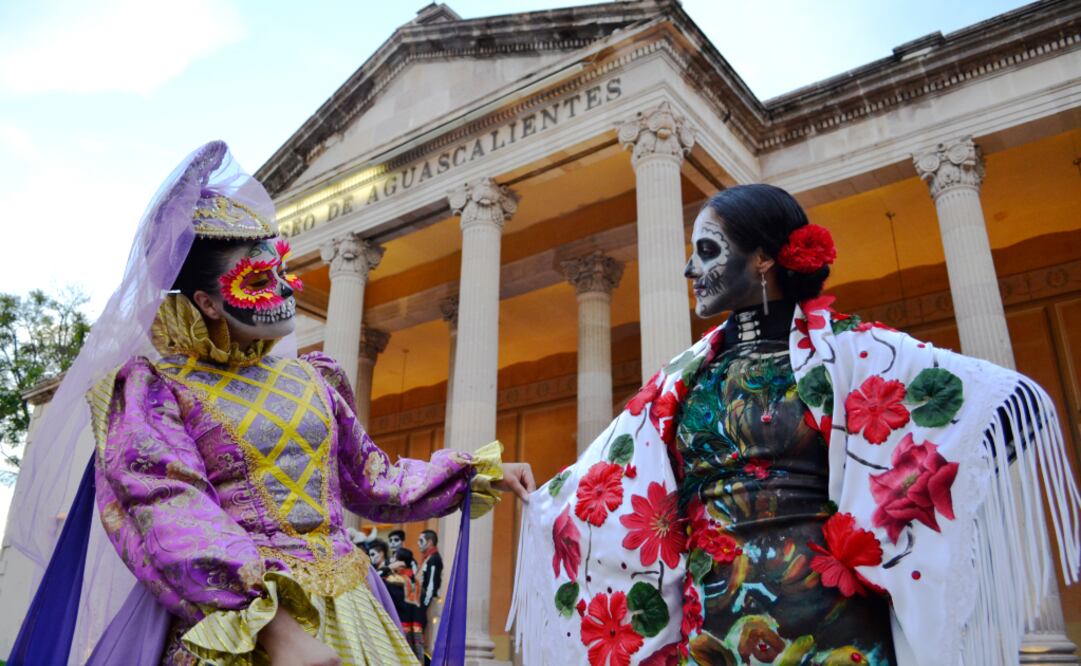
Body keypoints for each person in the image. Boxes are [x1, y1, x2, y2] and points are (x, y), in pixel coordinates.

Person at [8, 141, 536, 666]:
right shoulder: (157, 392)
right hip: (240, 626)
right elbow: (173, 512)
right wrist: (275, 628)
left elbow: (372, 480)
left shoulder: (314, 379)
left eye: (281, 272)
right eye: (258, 281)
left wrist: (476, 473)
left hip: (353, 613)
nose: (283, 291)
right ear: (206, 302)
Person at [509, 184, 1081, 666]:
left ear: (763, 258)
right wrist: (530, 496)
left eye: (707, 250)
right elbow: (610, 482)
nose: (689, 268)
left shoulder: (856, 354)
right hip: (712, 631)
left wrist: (902, 504)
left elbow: (1007, 406)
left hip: (834, 624)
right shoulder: (680, 380)